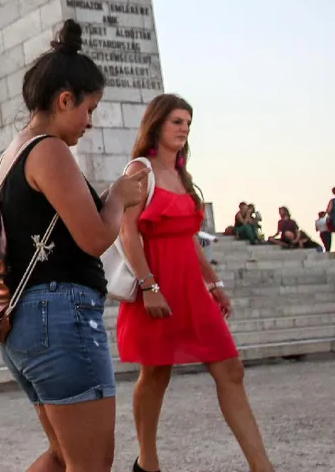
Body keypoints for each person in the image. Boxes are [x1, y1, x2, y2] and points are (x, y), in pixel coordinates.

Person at [0, 20, 145, 472]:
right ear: (64, 100)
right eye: (88, 108)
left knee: (64, 457)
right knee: (91, 463)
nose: (90, 121)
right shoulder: (50, 150)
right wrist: (118, 197)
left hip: (30, 321)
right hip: (59, 316)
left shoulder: (14, 152)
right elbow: (94, 238)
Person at [117, 94, 273, 472]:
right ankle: (147, 462)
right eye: (177, 121)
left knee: (231, 370)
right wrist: (149, 286)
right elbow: (127, 232)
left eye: (188, 122)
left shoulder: (182, 175)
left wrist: (214, 283)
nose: (184, 128)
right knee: (155, 373)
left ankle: (262, 467)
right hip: (157, 286)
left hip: (191, 287)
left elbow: (188, 236)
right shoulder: (140, 170)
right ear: (156, 124)